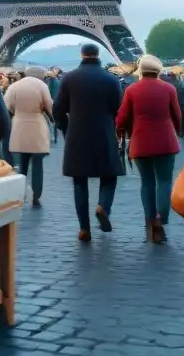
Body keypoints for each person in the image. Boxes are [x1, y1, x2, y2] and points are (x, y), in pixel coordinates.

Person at [53, 43, 124, 243]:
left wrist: (65, 127)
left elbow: (58, 107)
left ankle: (84, 228)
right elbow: (118, 108)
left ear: (82, 54)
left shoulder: (69, 78)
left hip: (77, 134)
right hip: (104, 132)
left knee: (79, 181)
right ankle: (103, 206)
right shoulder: (111, 79)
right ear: (98, 54)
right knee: (110, 176)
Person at [117, 53, 181, 243]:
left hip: (141, 141)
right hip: (165, 141)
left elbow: (122, 117)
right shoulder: (169, 88)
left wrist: (120, 133)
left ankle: (150, 221)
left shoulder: (132, 90)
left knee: (146, 183)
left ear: (141, 71)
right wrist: (176, 131)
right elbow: (177, 115)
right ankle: (161, 218)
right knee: (164, 181)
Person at [5, 66, 53, 207]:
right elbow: (48, 105)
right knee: (38, 163)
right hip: (37, 124)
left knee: (22, 163)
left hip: (19, 124)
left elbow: (8, 105)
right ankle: (36, 195)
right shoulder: (42, 86)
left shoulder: (14, 86)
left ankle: (21, 193)